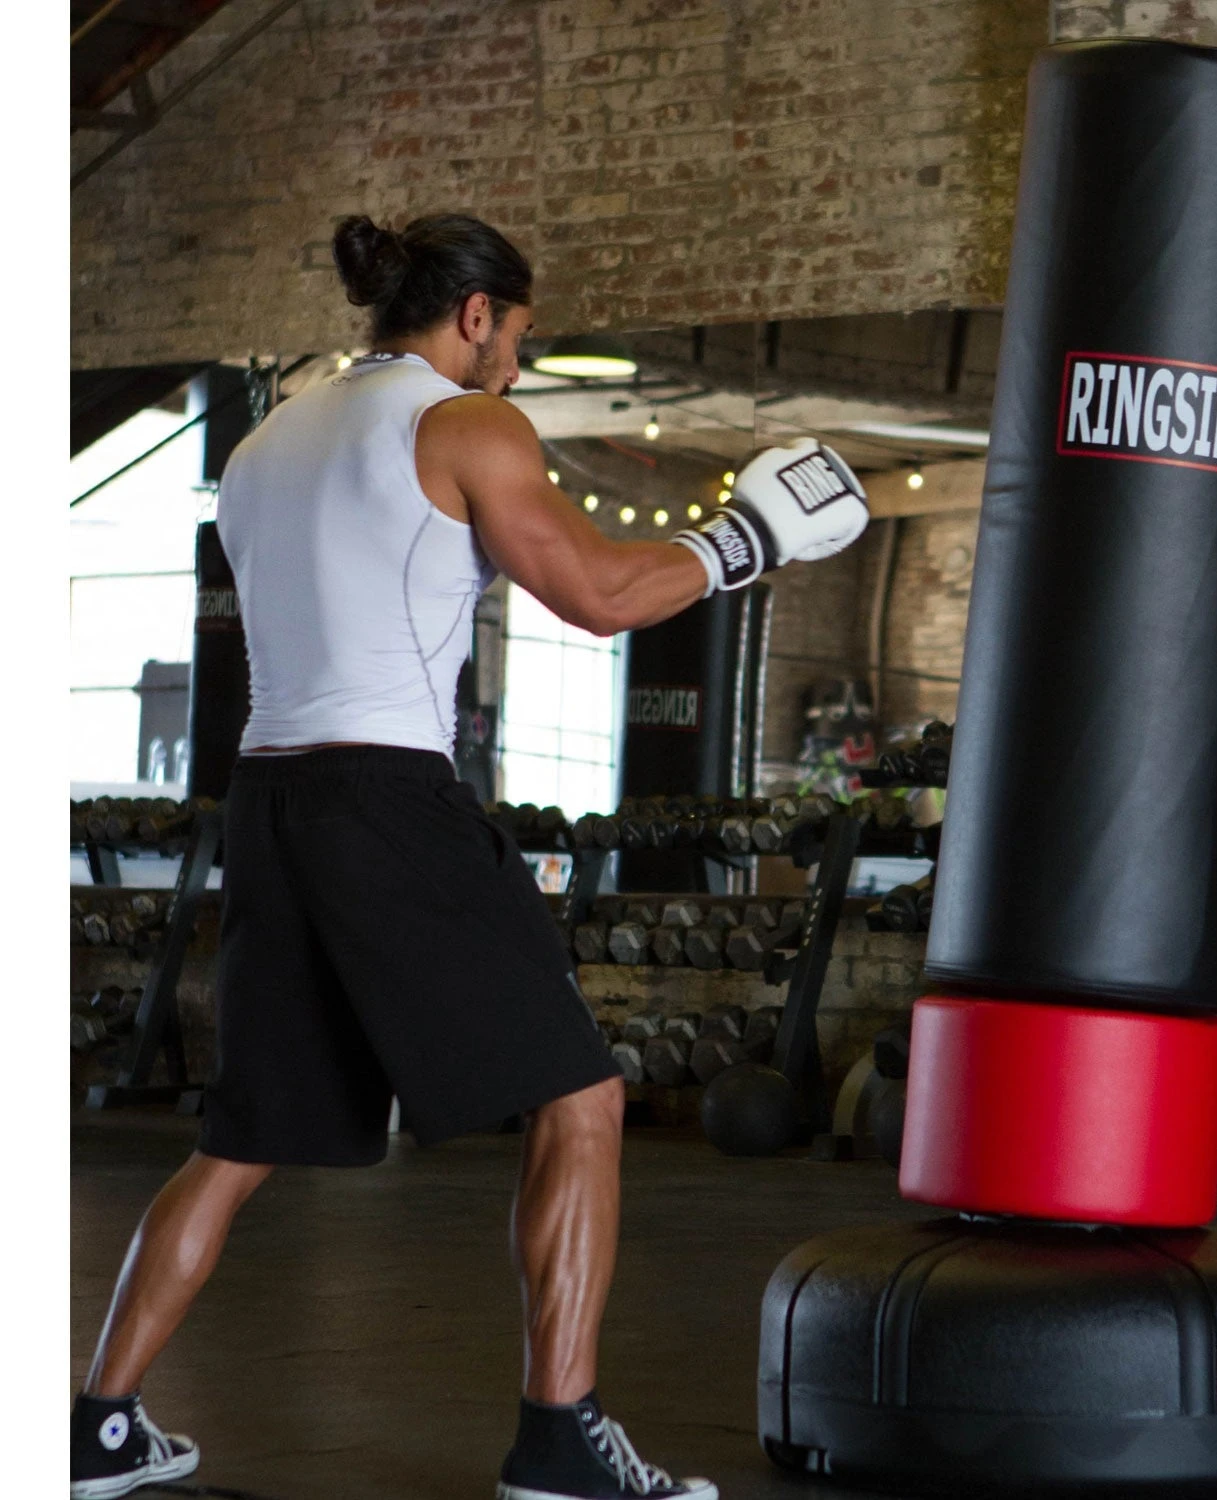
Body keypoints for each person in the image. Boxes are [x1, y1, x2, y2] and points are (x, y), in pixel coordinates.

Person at [70, 212, 869, 1500]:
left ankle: (99, 1425)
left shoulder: (265, 444)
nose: (520, 358)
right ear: (475, 312)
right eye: (519, 330)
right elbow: (601, 597)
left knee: (240, 1135)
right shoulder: (465, 425)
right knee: (583, 1100)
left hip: (267, 802)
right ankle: (560, 1443)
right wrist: (746, 540)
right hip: (389, 795)